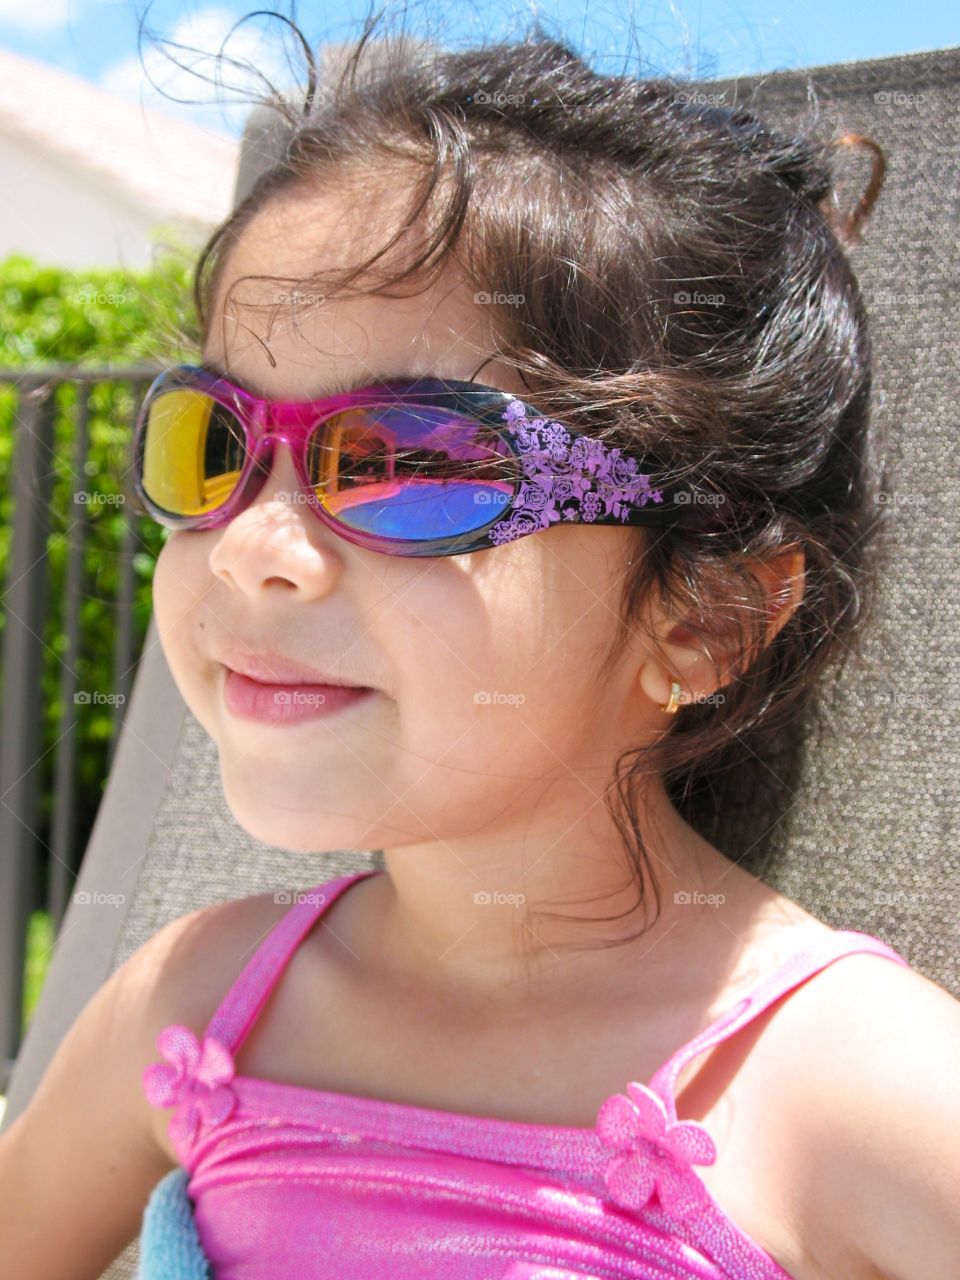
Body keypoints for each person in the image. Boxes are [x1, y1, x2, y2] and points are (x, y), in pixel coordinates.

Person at [2, 11, 959, 1280]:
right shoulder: (200, 1003)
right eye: (216, 446)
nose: (250, 545)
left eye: (405, 461)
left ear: (706, 616)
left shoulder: (854, 1094)